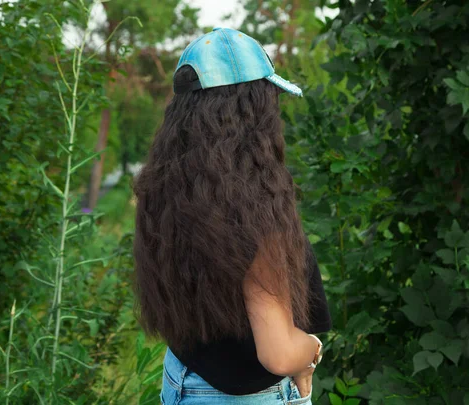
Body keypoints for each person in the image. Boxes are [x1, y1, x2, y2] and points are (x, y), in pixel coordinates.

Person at [132, 27, 332, 405]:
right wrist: (310, 351)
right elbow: (278, 354)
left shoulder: (164, 189)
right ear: (255, 112)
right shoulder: (257, 213)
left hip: (181, 380)